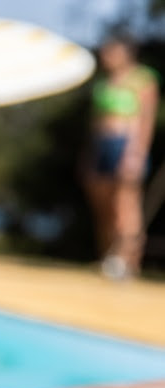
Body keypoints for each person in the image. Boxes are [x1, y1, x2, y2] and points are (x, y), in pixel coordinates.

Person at [83, 34, 159, 280]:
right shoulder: (104, 82)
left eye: (111, 51)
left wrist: (136, 153)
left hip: (126, 144)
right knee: (103, 207)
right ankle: (108, 258)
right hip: (102, 145)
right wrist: (90, 154)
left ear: (126, 53)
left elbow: (146, 119)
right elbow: (96, 121)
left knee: (126, 206)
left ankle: (128, 262)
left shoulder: (143, 79)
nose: (106, 56)